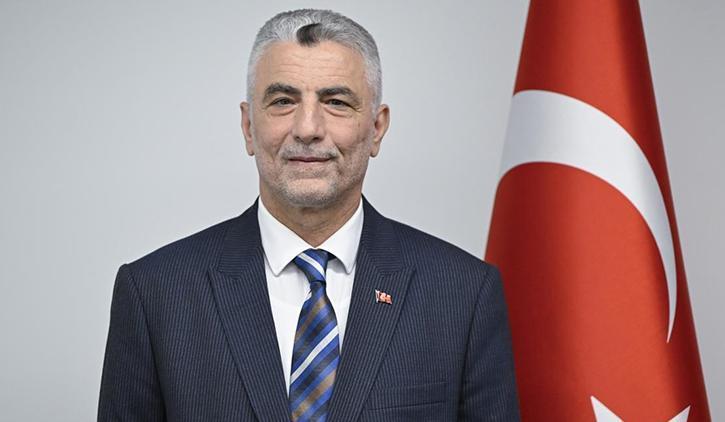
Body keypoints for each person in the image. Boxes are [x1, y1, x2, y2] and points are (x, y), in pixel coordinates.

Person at [98, 8, 519, 421]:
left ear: (376, 128)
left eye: (336, 102)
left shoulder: (463, 294)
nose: (307, 128)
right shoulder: (154, 293)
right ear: (248, 126)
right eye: (283, 101)